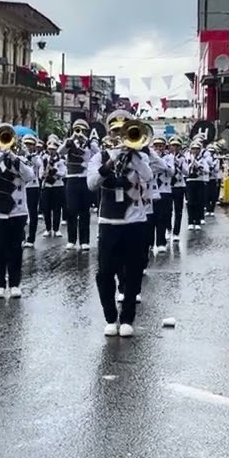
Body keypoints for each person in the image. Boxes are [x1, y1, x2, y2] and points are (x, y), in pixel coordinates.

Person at [88, 110, 153, 338]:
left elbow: (148, 176)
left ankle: (127, 318)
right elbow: (92, 183)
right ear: (110, 133)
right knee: (105, 273)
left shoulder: (140, 157)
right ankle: (109, 317)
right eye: (116, 131)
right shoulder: (99, 156)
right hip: (109, 221)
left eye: (124, 131)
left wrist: (134, 155)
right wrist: (112, 159)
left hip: (134, 221)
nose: (121, 136)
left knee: (133, 271)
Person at [0, 125, 36, 299]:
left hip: (17, 210)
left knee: (15, 249)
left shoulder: (21, 158)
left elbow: (29, 176)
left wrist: (13, 157)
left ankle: (15, 283)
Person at [62, 119, 99, 251]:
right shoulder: (69, 142)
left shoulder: (90, 143)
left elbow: (98, 151)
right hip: (72, 179)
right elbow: (61, 151)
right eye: (78, 129)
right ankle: (71, 240)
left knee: (84, 211)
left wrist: (86, 139)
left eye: (82, 130)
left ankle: (85, 241)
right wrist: (72, 138)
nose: (79, 132)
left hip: (84, 179)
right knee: (71, 210)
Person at [149, 137, 174, 253]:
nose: (158, 148)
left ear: (165, 147)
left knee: (162, 218)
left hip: (164, 190)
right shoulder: (148, 157)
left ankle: (161, 242)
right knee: (150, 218)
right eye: (156, 146)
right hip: (151, 191)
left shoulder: (169, 157)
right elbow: (148, 171)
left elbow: (171, 171)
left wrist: (159, 161)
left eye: (161, 146)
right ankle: (149, 242)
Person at [40, 135, 66, 238]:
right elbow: (40, 173)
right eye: (50, 149)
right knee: (46, 208)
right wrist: (44, 173)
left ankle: (56, 229)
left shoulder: (61, 160)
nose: (51, 151)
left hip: (57, 186)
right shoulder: (44, 159)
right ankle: (47, 229)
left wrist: (54, 171)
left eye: (53, 150)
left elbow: (64, 173)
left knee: (56, 208)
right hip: (47, 186)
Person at [182, 137, 210, 230]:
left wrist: (198, 164)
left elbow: (207, 170)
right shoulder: (187, 158)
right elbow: (185, 170)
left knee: (199, 202)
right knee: (190, 202)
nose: (195, 150)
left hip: (199, 181)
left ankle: (197, 221)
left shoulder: (203, 159)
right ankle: (190, 221)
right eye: (193, 148)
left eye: (197, 149)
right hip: (190, 181)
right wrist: (191, 164)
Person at [21, 133, 42, 247]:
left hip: (33, 186)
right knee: (22, 212)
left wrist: (30, 155)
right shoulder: (20, 156)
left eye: (30, 144)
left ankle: (31, 238)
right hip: (22, 187)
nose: (28, 146)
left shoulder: (36, 156)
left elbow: (38, 164)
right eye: (26, 144)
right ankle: (22, 236)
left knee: (33, 213)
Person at [167, 136, 186, 239]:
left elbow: (187, 172)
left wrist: (179, 164)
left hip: (179, 186)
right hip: (168, 186)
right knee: (167, 210)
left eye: (177, 146)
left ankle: (176, 232)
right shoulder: (166, 157)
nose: (175, 148)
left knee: (178, 210)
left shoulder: (183, 158)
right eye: (173, 145)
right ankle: (168, 229)